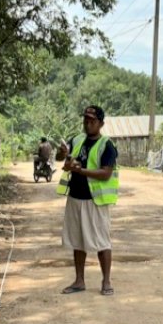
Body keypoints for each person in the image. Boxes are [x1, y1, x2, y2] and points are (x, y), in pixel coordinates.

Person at [55, 105, 119, 296]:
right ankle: (79, 281)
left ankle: (106, 281)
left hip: (95, 201)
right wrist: (63, 154)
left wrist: (80, 170)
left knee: (102, 242)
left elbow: (106, 173)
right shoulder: (77, 140)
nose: (87, 124)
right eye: (85, 120)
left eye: (92, 121)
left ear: (100, 123)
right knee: (78, 241)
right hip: (75, 197)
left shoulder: (106, 145)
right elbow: (61, 158)